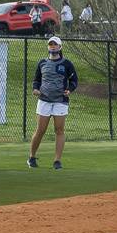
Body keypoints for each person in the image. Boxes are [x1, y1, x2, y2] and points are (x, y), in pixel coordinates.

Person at [28, 36, 78, 171]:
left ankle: (57, 161)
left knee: (59, 130)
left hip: (60, 101)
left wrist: (70, 90)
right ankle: (32, 157)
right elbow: (36, 80)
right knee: (40, 130)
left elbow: (74, 81)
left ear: (60, 47)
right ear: (48, 47)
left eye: (55, 44)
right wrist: (35, 89)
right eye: (50, 44)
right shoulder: (42, 63)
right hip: (44, 100)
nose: (53, 46)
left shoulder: (67, 64)